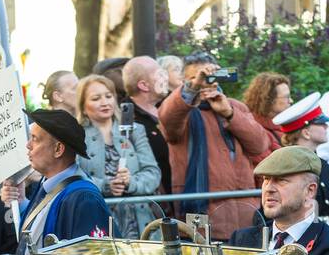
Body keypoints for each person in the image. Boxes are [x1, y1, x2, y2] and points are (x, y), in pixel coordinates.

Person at [157, 52, 264, 239]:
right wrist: (192, 88)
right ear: (184, 81)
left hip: (244, 215)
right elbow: (168, 119)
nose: (203, 82)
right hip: (202, 217)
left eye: (208, 77)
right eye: (195, 77)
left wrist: (229, 113)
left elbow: (259, 145)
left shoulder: (234, 106)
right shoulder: (182, 111)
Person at [227, 146, 329, 255]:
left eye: (281, 180)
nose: (269, 188)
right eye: (266, 179)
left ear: (310, 191)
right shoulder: (241, 239)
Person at [0, 108, 111, 255]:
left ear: (58, 149)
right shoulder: (47, 184)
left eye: (35, 139)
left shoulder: (84, 198)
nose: (28, 145)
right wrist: (20, 201)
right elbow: (36, 233)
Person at [76, 74, 160, 239]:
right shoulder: (76, 136)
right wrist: (106, 186)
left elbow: (153, 172)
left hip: (139, 220)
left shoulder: (135, 130)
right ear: (83, 106)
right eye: (96, 98)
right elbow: (74, 176)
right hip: (100, 221)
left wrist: (131, 182)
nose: (105, 102)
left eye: (108, 96)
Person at [274, 93, 329, 217]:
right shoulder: (285, 167)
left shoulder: (322, 165)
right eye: (320, 123)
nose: (326, 126)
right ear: (306, 133)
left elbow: (328, 208)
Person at [123, 55, 172, 207]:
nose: (166, 77)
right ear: (144, 85)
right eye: (159, 73)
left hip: (179, 193)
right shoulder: (125, 118)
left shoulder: (169, 107)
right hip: (153, 202)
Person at [242, 72, 292, 158]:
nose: (291, 101)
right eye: (286, 97)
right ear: (269, 99)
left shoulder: (281, 125)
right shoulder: (254, 130)